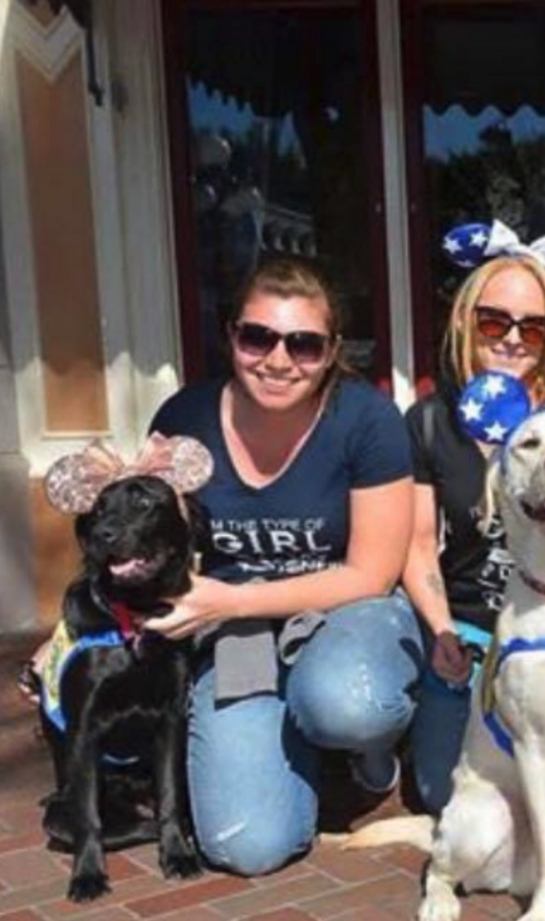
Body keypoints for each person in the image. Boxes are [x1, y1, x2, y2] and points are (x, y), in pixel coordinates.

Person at [147, 258, 418, 875]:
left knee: (349, 702)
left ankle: (368, 759)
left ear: (331, 351)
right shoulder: (183, 421)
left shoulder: (367, 419)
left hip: (346, 611)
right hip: (238, 635)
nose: (277, 359)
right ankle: (290, 750)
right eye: (257, 337)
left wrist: (230, 600)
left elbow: (370, 573)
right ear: (230, 336)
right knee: (246, 847)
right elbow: (154, 541)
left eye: (303, 344)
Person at [404, 222, 545, 812]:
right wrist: (442, 632)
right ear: (465, 320)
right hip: (469, 631)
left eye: (532, 327)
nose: (512, 339)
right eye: (494, 321)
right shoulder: (432, 422)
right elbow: (415, 545)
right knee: (442, 794)